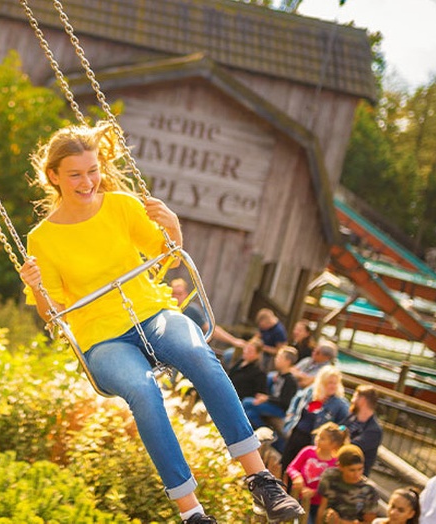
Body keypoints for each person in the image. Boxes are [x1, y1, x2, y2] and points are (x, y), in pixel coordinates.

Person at [19, 122, 304, 524]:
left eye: (93, 170)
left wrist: (172, 225)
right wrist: (37, 288)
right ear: (54, 177)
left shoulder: (122, 205)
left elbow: (168, 257)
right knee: (142, 388)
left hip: (151, 311)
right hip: (101, 336)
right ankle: (192, 513)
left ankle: (260, 480)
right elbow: (54, 314)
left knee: (198, 354)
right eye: (75, 174)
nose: (88, 182)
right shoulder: (42, 238)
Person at [281, 366, 350, 468]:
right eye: (329, 383)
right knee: (286, 466)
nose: (332, 386)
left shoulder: (341, 405)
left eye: (335, 383)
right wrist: (290, 416)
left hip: (314, 442)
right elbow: (296, 399)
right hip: (296, 434)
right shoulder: (311, 392)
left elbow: (343, 427)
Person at [286, 422, 351, 523]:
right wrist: (297, 476)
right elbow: (292, 467)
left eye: (322, 438)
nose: (317, 439)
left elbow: (332, 486)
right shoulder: (307, 451)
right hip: (297, 497)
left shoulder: (335, 464)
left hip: (317, 505)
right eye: (318, 436)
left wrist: (315, 492)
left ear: (333, 444)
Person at [170, 277, 246, 349]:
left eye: (179, 294)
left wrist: (234, 341)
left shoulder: (191, 310)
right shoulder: (165, 308)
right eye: (173, 293)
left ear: (186, 294)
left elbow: (210, 328)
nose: (176, 296)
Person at [317, 445, 380, 524]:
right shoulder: (330, 477)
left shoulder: (369, 490)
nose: (357, 474)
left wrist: (340, 522)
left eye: (360, 469)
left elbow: (369, 522)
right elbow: (322, 507)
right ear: (340, 467)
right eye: (352, 470)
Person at [243, 346, 299, 430]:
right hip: (271, 404)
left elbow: (285, 402)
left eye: (279, 357)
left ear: (288, 361)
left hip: (280, 409)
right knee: (250, 414)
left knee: (247, 402)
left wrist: (267, 399)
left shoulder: (290, 380)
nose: (276, 359)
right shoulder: (277, 375)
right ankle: (267, 432)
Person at [344, 385, 383, 476]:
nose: (352, 400)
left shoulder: (374, 430)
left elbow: (353, 447)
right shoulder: (352, 417)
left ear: (363, 400)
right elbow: (340, 428)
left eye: (355, 396)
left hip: (356, 474)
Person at [228, 337, 268, 401]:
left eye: (250, 351)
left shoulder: (260, 372)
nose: (246, 352)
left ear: (257, 354)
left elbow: (259, 394)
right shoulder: (240, 361)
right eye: (246, 349)